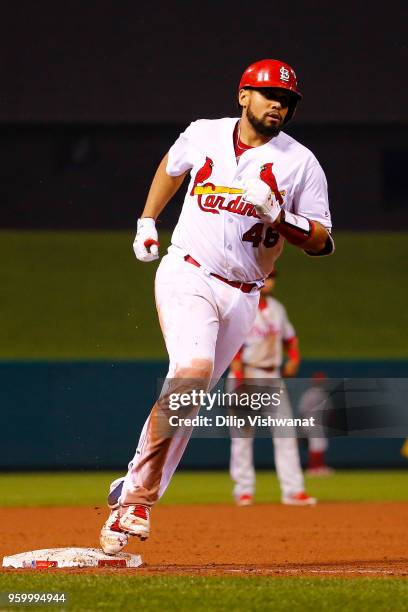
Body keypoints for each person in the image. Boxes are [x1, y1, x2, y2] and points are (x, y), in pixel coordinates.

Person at [100, 58, 334, 555]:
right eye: (270, 94)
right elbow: (171, 166)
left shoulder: (300, 162)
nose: (279, 104)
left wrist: (282, 216)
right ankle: (138, 501)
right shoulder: (204, 133)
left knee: (192, 393)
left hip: (245, 294)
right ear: (243, 95)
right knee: (192, 370)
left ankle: (132, 487)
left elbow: (321, 242)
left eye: (287, 100)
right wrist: (147, 219)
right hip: (188, 269)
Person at [229, 270, 316, 506]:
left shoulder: (277, 309)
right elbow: (232, 347)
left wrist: (294, 358)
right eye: (266, 276)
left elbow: (291, 338)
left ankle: (293, 490)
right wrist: (239, 381)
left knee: (286, 434)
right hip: (247, 374)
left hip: (272, 377)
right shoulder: (242, 307)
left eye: (273, 277)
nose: (270, 281)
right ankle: (243, 490)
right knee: (242, 437)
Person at [298, 372, 334, 476]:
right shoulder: (320, 394)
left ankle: (319, 467)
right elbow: (329, 412)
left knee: (319, 446)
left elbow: (302, 411)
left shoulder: (309, 394)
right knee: (317, 446)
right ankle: (313, 468)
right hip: (314, 423)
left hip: (311, 423)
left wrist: (301, 426)